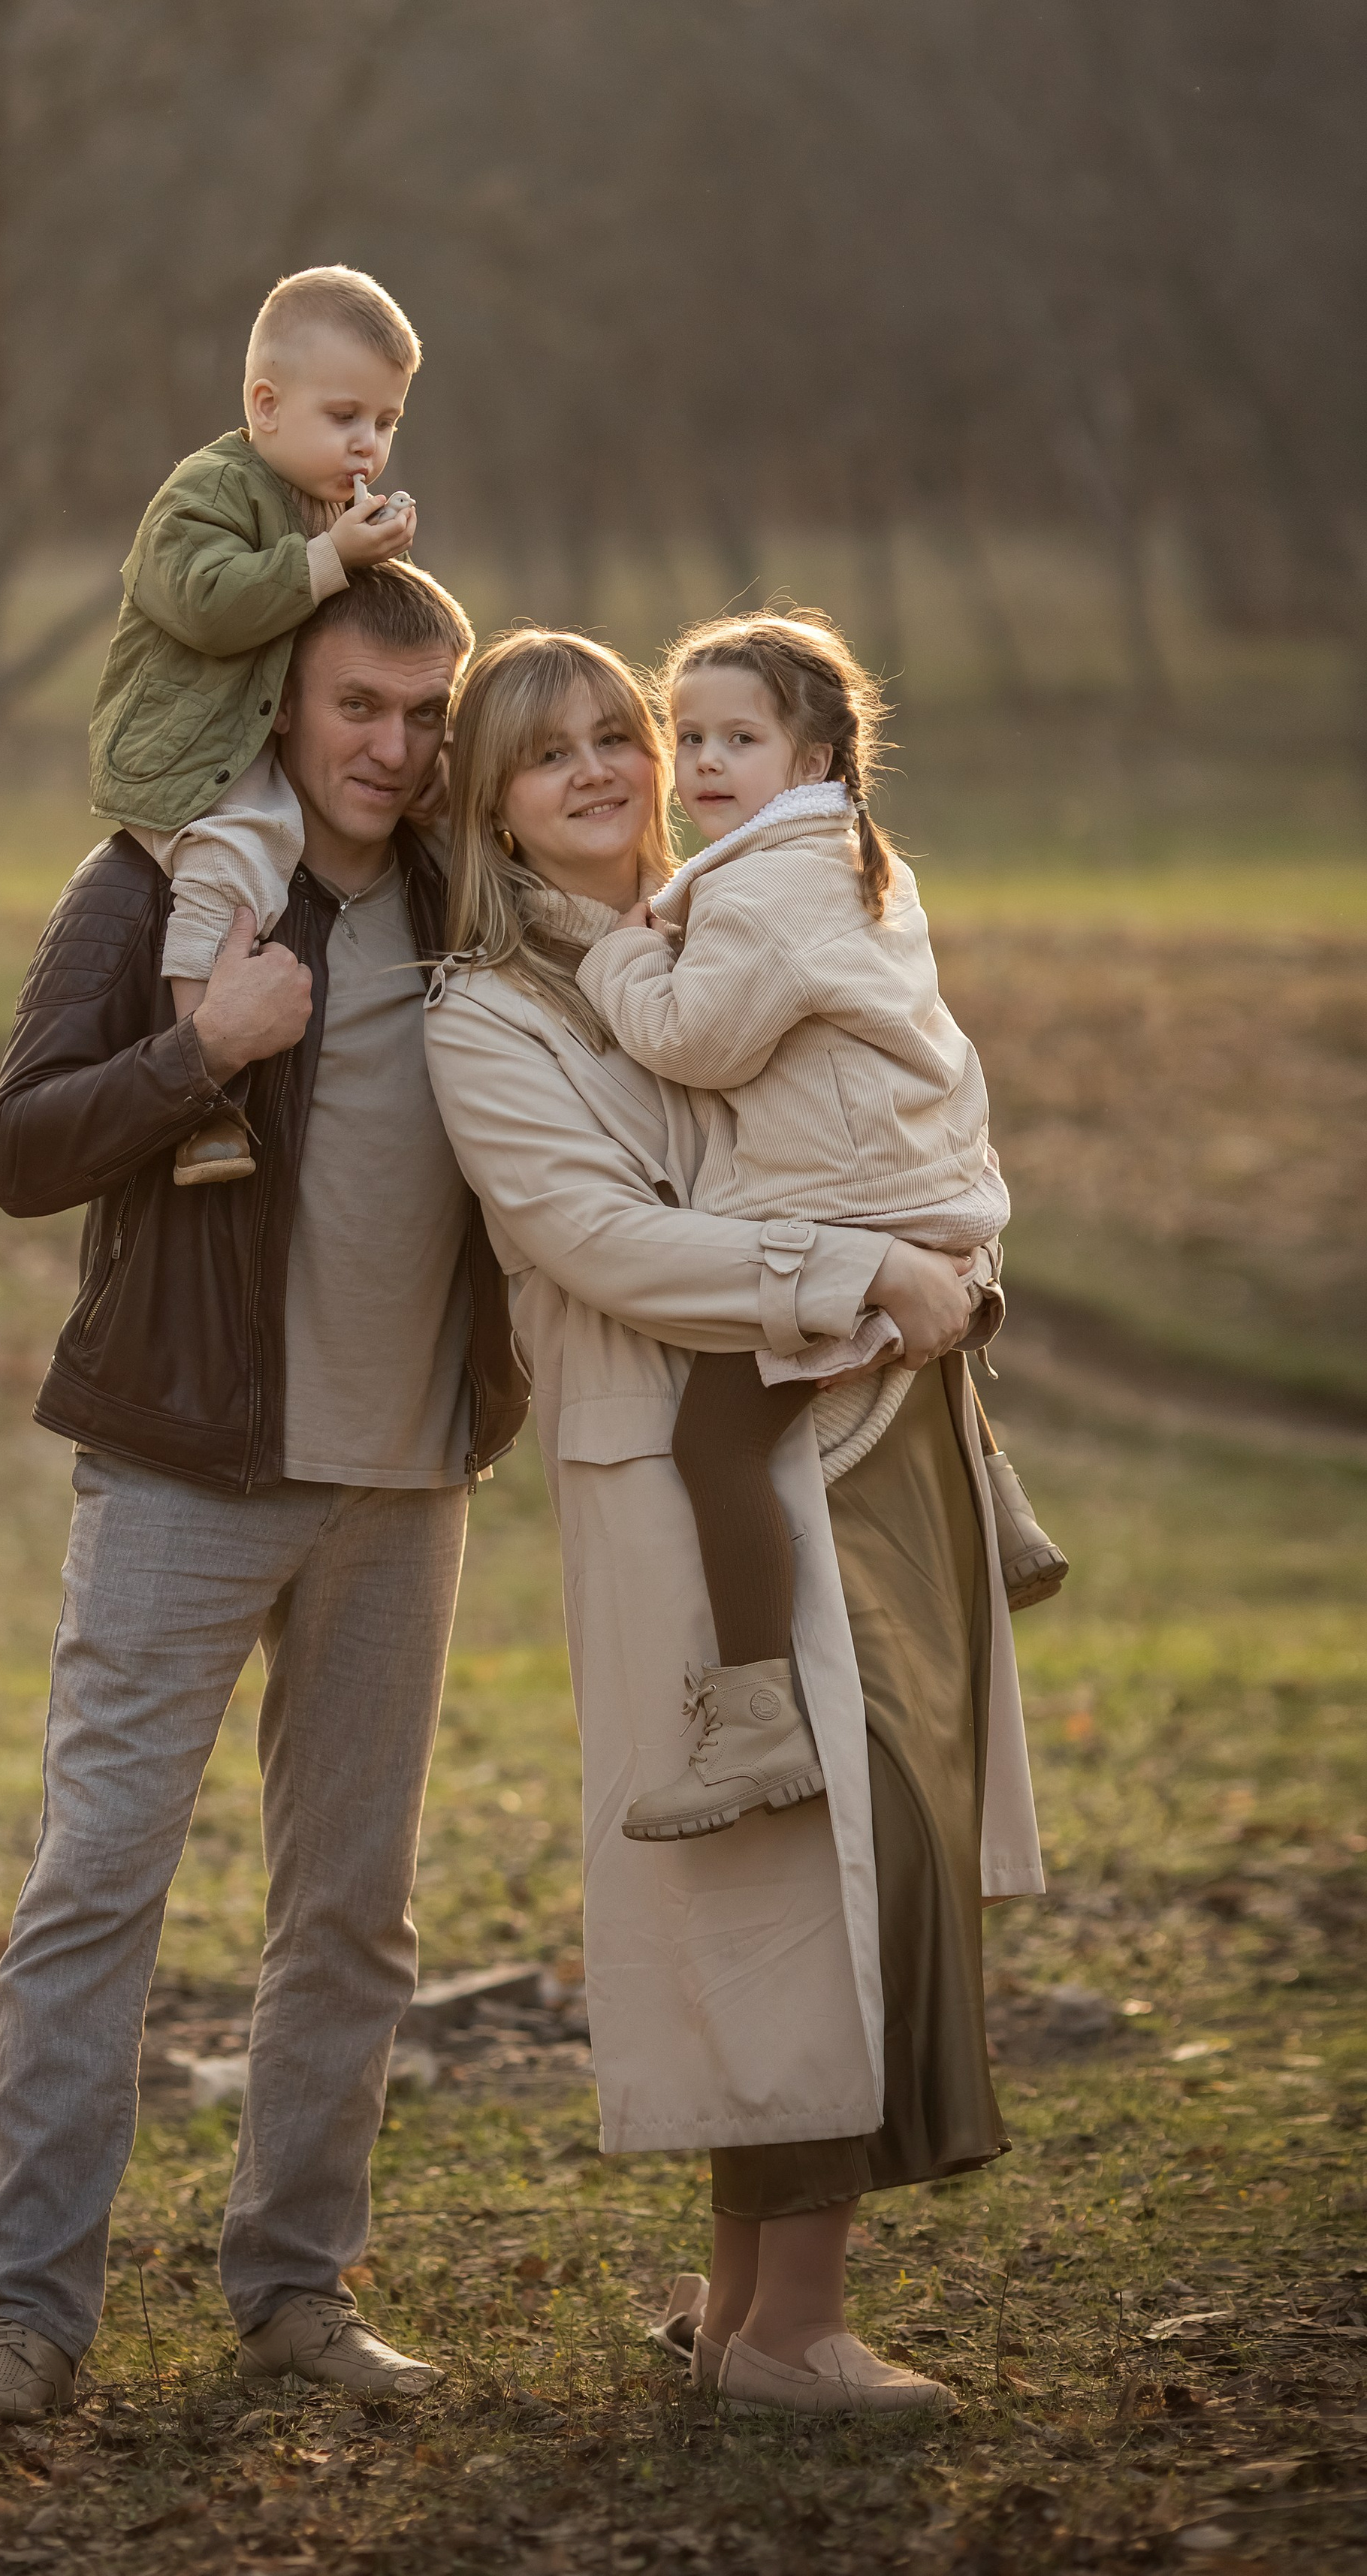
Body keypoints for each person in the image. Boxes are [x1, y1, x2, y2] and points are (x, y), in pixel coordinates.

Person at [423, 628, 1043, 2419]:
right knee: (786, 1887)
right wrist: (852, 1267)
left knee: (866, 1851)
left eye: (614, 732)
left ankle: (735, 2314)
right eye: (547, 754)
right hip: (693, 1478)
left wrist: (922, 1248)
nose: (603, 770)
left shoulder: (738, 914)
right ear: (492, 805)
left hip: (869, 1424)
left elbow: (888, 1090)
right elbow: (601, 1242)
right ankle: (790, 2331)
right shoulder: (482, 1012)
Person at [0, 561, 527, 2426]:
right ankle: (25, 2321)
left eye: (425, 717)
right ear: (283, 699)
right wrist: (204, 1047)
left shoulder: (467, 898)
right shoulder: (154, 882)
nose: (393, 748)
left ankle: (293, 2292)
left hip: (407, 1480)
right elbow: (20, 1146)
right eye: (359, 707)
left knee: (350, 1911)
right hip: (184, 1463)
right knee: (95, 1889)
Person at [573, 609, 1043, 1847]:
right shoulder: (856, 861)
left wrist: (621, 963)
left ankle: (758, 1718)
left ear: (817, 757)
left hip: (855, 1199)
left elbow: (694, 1041)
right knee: (896, 1336)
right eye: (689, 737)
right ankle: (1000, 1511)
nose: (705, 762)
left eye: (741, 738)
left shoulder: (760, 891)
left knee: (716, 1440)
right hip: (936, 1179)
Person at [89, 264, 423, 1186]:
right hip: (191, 753)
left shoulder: (327, 506)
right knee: (231, 864)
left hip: (267, 744)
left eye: (386, 421)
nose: (367, 442)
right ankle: (204, 1079)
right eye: (345, 415)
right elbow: (206, 605)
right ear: (266, 406)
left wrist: (375, 557)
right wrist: (329, 557)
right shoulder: (204, 492)